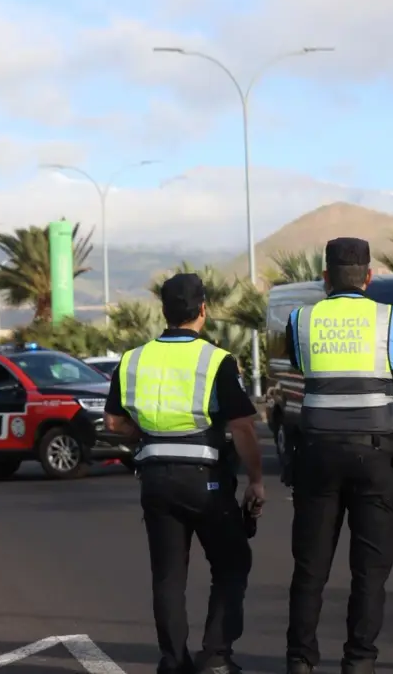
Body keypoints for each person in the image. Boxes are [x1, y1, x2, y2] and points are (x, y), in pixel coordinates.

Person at [103, 272, 265, 674]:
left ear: (164, 311)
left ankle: (172, 661)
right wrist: (256, 480)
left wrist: (148, 432)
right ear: (203, 310)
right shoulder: (216, 360)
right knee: (231, 563)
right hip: (204, 480)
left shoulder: (133, 359)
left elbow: (112, 423)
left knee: (169, 575)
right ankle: (215, 656)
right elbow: (243, 425)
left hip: (156, 480)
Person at [283, 237, 393, 674]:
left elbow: (304, 369)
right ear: (369, 277)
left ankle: (301, 660)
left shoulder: (301, 320)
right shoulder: (391, 319)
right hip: (375, 454)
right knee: (370, 571)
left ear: (325, 278)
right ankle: (359, 660)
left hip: (317, 452)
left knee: (310, 568)